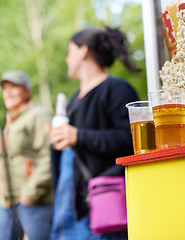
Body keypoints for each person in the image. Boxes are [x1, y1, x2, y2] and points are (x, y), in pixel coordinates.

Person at [49, 27, 141, 240]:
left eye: (69, 51)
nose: (66, 59)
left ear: (83, 51)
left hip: (103, 206)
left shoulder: (117, 89)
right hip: (70, 206)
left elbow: (129, 139)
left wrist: (78, 136)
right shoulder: (73, 101)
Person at [0, 70, 53, 240]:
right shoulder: (9, 123)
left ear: (27, 91)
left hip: (34, 200)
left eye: (14, 87)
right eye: (4, 88)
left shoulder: (37, 115)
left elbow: (49, 158)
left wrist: (30, 193)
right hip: (5, 203)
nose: (8, 92)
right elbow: (6, 165)